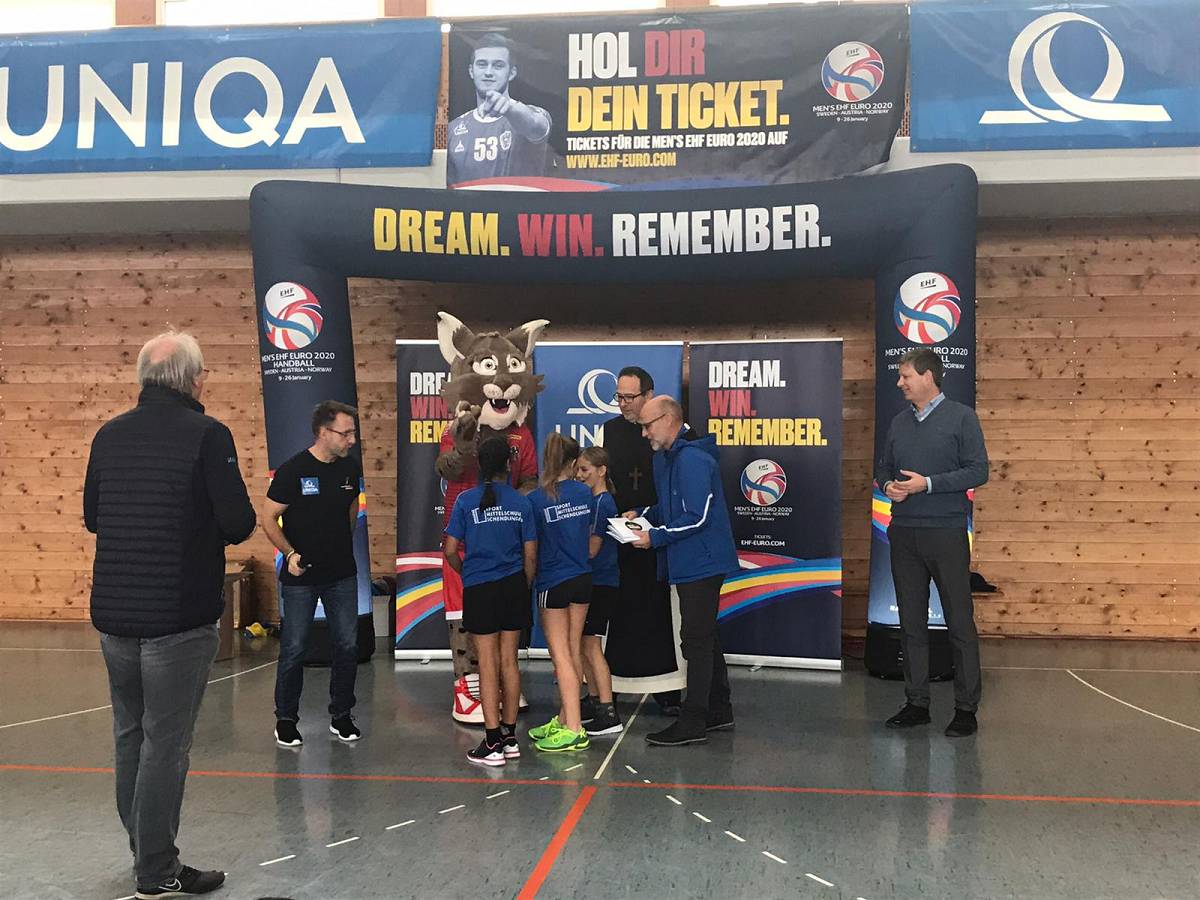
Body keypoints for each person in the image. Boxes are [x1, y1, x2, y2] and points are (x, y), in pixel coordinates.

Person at [84, 331, 255, 898]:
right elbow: (237, 523)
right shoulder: (209, 435)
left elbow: (93, 516)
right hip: (177, 617)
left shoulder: (108, 435)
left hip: (114, 615)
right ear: (193, 379)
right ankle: (156, 868)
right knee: (166, 743)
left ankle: (144, 848)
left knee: (130, 735)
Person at [876, 348, 989, 738]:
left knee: (959, 621)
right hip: (904, 532)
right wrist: (888, 485)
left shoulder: (962, 417)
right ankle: (917, 703)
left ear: (928, 377)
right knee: (911, 622)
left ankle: (966, 709)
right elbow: (884, 468)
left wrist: (928, 484)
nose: (900, 383)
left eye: (905, 376)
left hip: (946, 533)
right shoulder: (898, 423)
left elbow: (979, 471)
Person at [630, 396, 739, 747]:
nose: (644, 433)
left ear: (669, 419)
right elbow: (670, 507)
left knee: (695, 639)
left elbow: (697, 517)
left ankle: (693, 721)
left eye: (647, 425)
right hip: (689, 560)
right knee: (706, 636)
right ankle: (719, 710)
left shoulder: (692, 459)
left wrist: (655, 537)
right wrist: (642, 515)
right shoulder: (666, 458)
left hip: (702, 561)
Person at [263, 400, 364, 748]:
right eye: (345, 433)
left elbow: (352, 507)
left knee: (347, 645)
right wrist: (290, 553)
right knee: (294, 648)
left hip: (342, 574)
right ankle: (286, 719)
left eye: (353, 433)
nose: (352, 440)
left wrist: (340, 543)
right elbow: (268, 518)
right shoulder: (293, 470)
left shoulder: (349, 468)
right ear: (323, 432)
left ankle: (342, 715)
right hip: (301, 577)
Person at [444, 438, 538, 766]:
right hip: (513, 587)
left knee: (487, 664)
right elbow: (530, 555)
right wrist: (523, 584)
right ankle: (510, 739)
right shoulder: (522, 503)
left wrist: (468, 573)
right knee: (509, 662)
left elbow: (450, 550)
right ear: (508, 465)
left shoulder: (465, 501)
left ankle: (493, 741)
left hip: (480, 588)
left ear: (479, 465)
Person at [600, 366, 686, 714]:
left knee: (659, 613)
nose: (623, 403)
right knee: (621, 611)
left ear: (649, 395)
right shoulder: (609, 431)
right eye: (618, 397)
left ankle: (667, 689)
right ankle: (615, 683)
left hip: (659, 535)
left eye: (629, 397)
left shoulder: (669, 434)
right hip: (621, 536)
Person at [526, 433, 593, 753]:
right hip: (582, 578)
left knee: (562, 656)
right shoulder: (585, 493)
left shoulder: (536, 500)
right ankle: (566, 717)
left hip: (553, 581)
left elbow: (532, 546)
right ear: (574, 462)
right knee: (573, 649)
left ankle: (575, 729)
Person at [446, 32, 553, 187]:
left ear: (512, 73)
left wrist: (510, 108)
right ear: (471, 71)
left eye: (498, 66)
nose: (488, 72)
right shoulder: (453, 129)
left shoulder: (529, 114)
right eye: (482, 64)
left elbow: (536, 125)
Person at [575, 446, 622, 736]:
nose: (580, 476)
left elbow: (592, 549)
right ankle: (594, 702)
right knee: (584, 644)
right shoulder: (593, 501)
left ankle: (608, 710)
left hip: (602, 582)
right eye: (577, 470)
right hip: (594, 581)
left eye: (585, 470)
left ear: (602, 471)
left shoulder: (602, 503)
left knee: (592, 645)